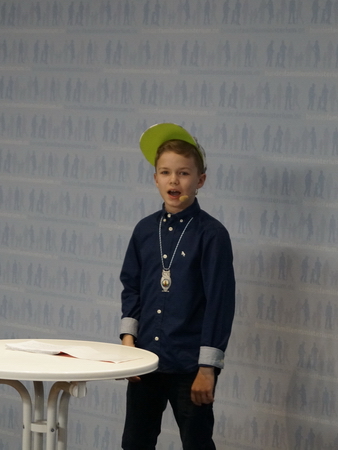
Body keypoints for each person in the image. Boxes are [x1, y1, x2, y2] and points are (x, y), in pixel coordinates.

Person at [119, 123, 236, 450]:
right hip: (145, 361)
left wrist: (208, 368)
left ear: (200, 181)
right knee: (135, 443)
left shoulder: (212, 235)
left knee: (197, 443)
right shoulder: (144, 231)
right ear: (155, 178)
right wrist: (128, 343)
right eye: (166, 172)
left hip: (191, 366)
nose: (174, 181)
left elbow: (219, 304)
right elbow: (131, 287)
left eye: (184, 173)